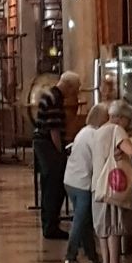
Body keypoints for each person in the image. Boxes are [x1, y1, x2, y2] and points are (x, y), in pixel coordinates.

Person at [84, 100, 132, 263]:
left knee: (103, 225)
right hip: (112, 183)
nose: (129, 124)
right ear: (120, 118)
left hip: (98, 183)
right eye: (128, 120)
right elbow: (131, 151)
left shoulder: (98, 131)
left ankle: (106, 262)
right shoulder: (116, 129)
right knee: (114, 223)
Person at [61, 104, 109, 263]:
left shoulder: (84, 131)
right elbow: (100, 159)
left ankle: (92, 256)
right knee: (80, 221)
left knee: (85, 220)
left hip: (71, 180)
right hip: (82, 183)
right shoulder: (95, 135)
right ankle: (70, 256)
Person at [34, 71, 80, 239]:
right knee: (54, 185)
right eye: (75, 89)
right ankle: (51, 226)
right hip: (47, 145)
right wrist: (60, 151)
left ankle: (49, 223)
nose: (74, 94)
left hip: (42, 143)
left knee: (48, 185)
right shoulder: (55, 99)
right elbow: (54, 129)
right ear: (68, 86)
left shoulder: (50, 94)